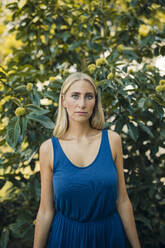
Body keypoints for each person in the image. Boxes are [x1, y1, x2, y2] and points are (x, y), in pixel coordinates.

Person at [33, 72, 141, 248]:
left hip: (109, 236)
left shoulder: (112, 141)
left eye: (89, 96)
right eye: (75, 96)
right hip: (66, 238)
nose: (82, 104)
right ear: (63, 101)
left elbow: (122, 200)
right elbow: (46, 210)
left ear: (95, 102)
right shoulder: (48, 149)